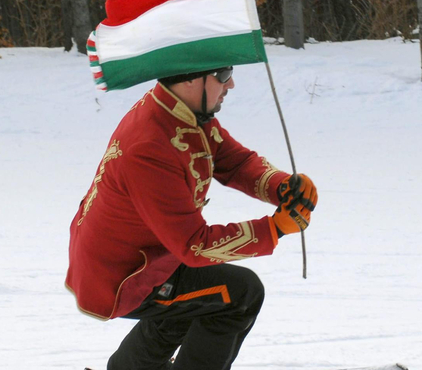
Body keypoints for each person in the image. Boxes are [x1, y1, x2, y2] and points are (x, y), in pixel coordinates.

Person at [65, 66, 318, 370]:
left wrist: (281, 186)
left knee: (199, 296)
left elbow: (233, 162)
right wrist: (273, 229)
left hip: (144, 256)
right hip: (123, 277)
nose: (231, 84)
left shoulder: (176, 111)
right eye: (223, 75)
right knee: (241, 294)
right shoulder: (149, 148)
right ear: (189, 78)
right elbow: (194, 245)